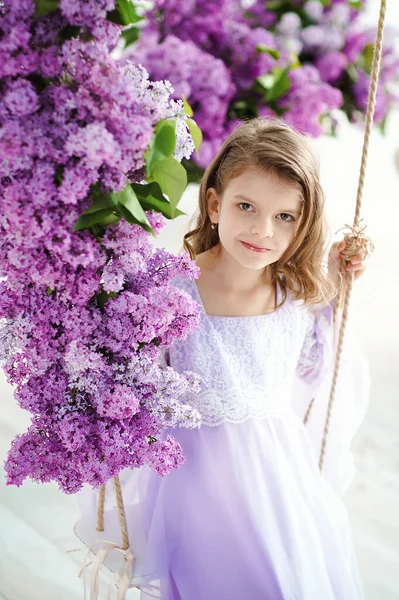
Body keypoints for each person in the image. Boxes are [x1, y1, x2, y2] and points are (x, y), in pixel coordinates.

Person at [76, 117, 370, 599]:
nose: (262, 230)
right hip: (195, 488)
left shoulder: (295, 296)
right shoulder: (172, 288)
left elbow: (318, 367)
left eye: (284, 217)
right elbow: (134, 376)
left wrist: (339, 283)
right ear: (214, 204)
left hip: (277, 482)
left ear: (304, 222)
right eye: (246, 206)